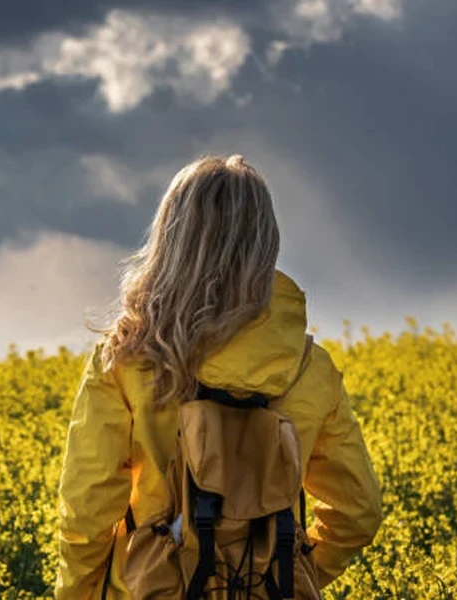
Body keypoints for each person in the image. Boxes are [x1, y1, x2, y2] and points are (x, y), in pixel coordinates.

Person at [55, 153, 382, 599]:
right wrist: (287, 575)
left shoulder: (128, 357)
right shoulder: (310, 368)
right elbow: (357, 512)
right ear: (265, 243)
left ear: (172, 239)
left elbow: (87, 512)